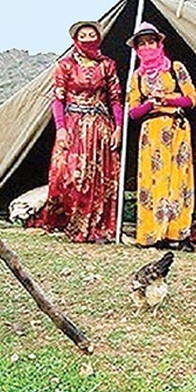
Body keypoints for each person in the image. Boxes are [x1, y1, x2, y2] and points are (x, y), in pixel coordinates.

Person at [27, 20, 123, 242]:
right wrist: (60, 129)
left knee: (100, 176)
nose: (88, 39)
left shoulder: (107, 65)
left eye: (92, 35)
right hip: (73, 125)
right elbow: (57, 100)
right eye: (83, 35)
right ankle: (71, 222)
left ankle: (98, 225)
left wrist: (118, 128)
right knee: (68, 174)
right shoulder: (65, 65)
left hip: (101, 126)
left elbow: (116, 99)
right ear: (75, 40)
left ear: (98, 38)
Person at [126, 22, 196, 252]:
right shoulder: (136, 77)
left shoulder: (175, 68)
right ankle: (152, 235)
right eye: (142, 43)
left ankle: (178, 233)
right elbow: (132, 111)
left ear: (160, 43)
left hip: (176, 127)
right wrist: (150, 103)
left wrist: (168, 99)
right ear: (137, 49)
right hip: (152, 131)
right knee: (152, 181)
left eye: (151, 42)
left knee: (179, 179)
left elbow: (192, 98)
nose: (147, 47)